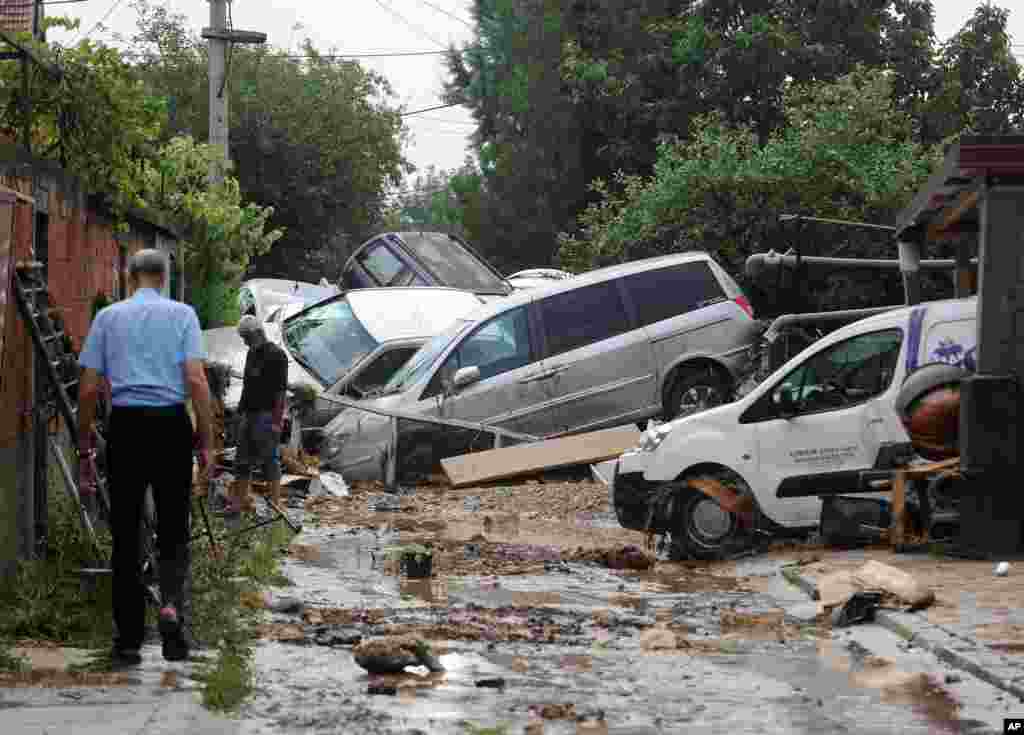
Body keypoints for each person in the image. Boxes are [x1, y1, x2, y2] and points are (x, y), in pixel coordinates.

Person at [77, 249, 213, 665]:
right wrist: (206, 441)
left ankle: (128, 640)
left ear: (129, 275)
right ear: (164, 278)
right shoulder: (183, 316)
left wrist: (84, 444)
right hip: (171, 425)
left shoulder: (107, 318)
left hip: (127, 428)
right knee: (173, 527)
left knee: (126, 531)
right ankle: (171, 611)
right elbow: (196, 381)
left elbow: (88, 388)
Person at [230, 315, 288, 518]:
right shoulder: (251, 353)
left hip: (266, 416)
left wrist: (277, 422)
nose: (245, 342)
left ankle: (276, 503)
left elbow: (280, 392)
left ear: (257, 333)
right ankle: (240, 502)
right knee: (242, 460)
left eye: (246, 337)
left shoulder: (277, 355)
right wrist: (239, 412)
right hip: (249, 414)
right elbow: (247, 385)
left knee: (269, 460)